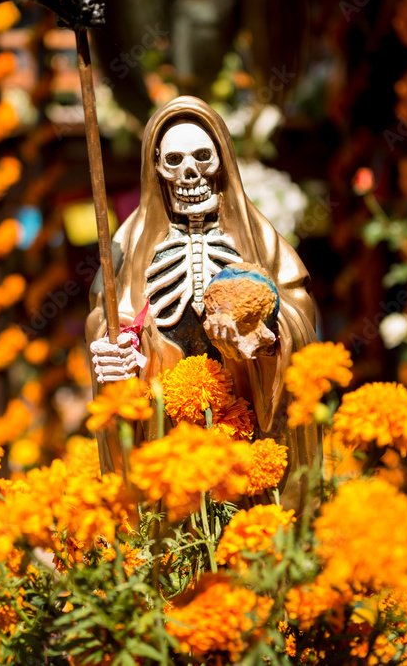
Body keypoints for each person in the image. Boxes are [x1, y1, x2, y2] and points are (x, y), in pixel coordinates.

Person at [85, 96, 317, 508]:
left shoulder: (257, 236)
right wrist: (114, 342)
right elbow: (107, 310)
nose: (189, 173)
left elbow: (298, 307)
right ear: (156, 168)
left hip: (243, 433)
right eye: (173, 161)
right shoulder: (131, 243)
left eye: (202, 158)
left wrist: (264, 337)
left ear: (222, 163)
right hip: (167, 439)